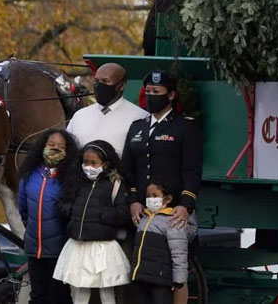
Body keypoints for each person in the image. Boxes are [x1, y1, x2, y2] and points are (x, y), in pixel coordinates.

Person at [122, 70, 203, 304]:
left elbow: (192, 169)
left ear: (171, 95)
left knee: (175, 270)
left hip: (172, 209)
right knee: (145, 270)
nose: (151, 97)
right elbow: (129, 168)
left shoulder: (184, 127)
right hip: (144, 212)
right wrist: (134, 199)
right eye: (148, 92)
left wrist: (186, 204)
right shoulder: (137, 127)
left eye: (157, 93)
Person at [53, 141, 131, 304]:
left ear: (105, 163)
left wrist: (98, 214)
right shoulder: (77, 181)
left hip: (103, 247)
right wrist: (72, 211)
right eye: (85, 162)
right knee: (79, 291)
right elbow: (62, 202)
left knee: (107, 291)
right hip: (78, 245)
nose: (88, 166)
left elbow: (123, 213)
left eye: (94, 163)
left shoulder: (115, 184)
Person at [17, 129, 78, 304]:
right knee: (37, 297)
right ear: (42, 146)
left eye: (60, 147)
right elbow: (23, 209)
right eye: (51, 145)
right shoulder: (29, 174)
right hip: (34, 249)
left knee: (59, 298)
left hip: (60, 251)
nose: (55, 149)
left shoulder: (71, 178)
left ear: (67, 151)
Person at [66, 63, 149, 156]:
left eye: (105, 81)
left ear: (122, 85)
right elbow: (67, 148)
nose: (99, 85)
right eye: (96, 81)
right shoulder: (80, 116)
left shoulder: (139, 116)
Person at [131, 178, 188, 304]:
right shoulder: (143, 219)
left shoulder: (172, 221)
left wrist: (179, 280)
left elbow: (179, 253)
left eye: (155, 196)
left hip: (161, 279)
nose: (151, 199)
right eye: (148, 196)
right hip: (141, 277)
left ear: (167, 199)